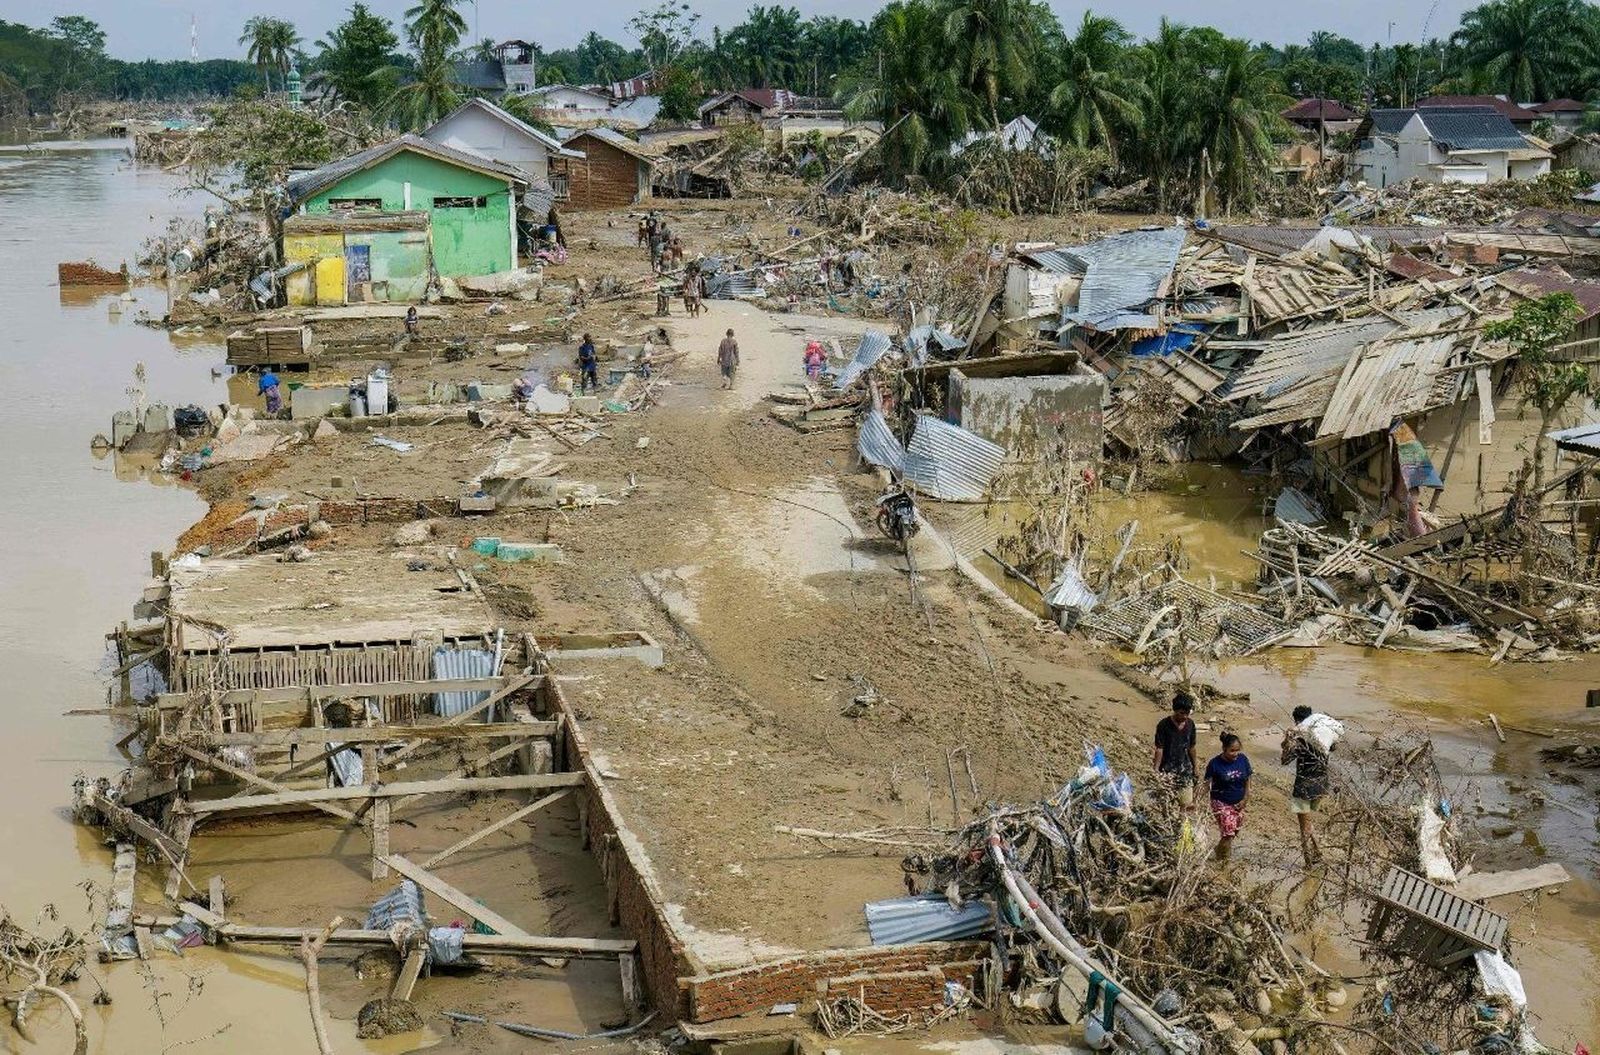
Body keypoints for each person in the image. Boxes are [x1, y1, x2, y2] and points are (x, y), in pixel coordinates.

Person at [1282, 705, 1332, 865]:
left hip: (1304, 787)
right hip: (1321, 785)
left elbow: (1284, 760)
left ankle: (1309, 861)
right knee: (1308, 822)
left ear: (1296, 721)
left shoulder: (1301, 741)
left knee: (1304, 826)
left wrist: (1289, 739)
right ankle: (1317, 853)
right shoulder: (1323, 737)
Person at [1204, 733, 1252, 861]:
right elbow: (1206, 784)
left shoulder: (1243, 760)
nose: (1235, 753)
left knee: (1235, 831)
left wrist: (1245, 798)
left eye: (1237, 750)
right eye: (1232, 751)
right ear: (1224, 749)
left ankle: (1219, 850)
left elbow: (1247, 779)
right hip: (1220, 801)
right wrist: (1197, 801)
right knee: (1228, 834)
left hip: (1239, 802)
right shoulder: (1214, 764)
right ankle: (1223, 862)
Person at [1153, 691, 1199, 808]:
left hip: (1185, 770)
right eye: (1181, 713)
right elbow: (1160, 749)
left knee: (1186, 804)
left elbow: (1192, 747)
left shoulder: (1191, 725)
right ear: (1175, 710)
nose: (1184, 716)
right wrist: (1156, 770)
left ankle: (1183, 825)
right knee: (1167, 805)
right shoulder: (1163, 725)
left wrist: (1196, 767)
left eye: (1187, 713)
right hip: (1168, 771)